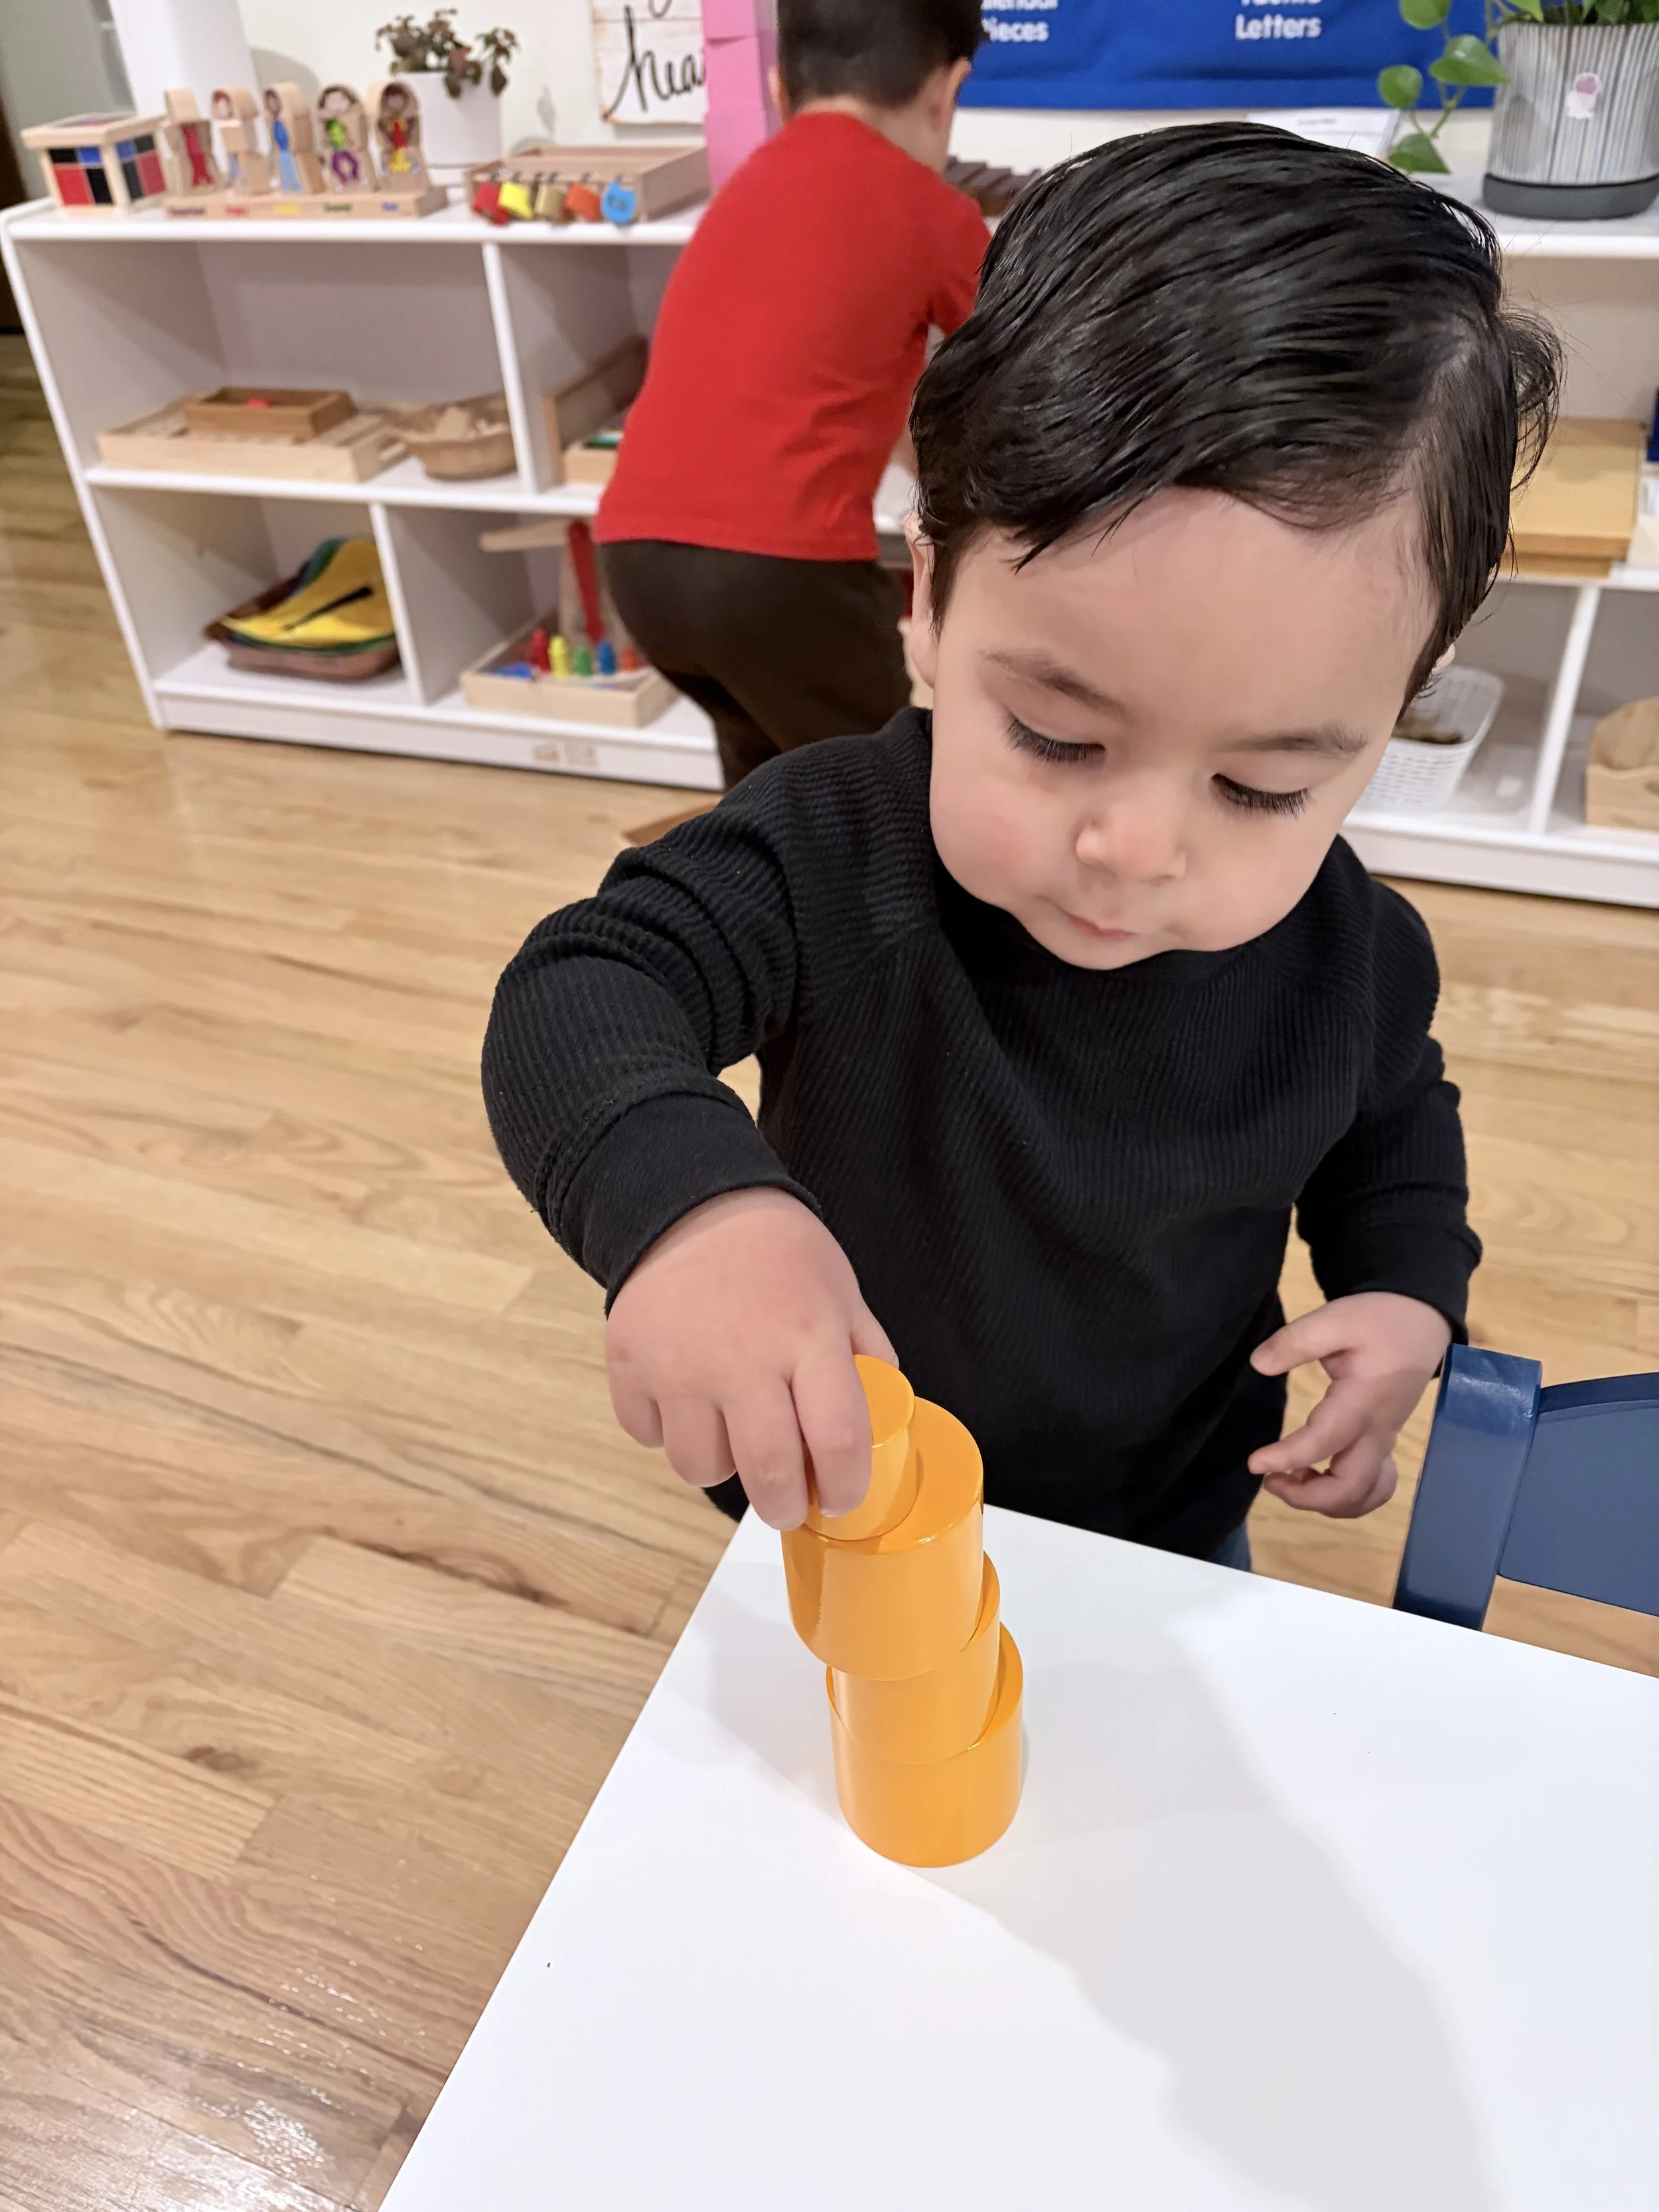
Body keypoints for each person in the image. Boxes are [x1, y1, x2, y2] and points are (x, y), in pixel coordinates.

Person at [483, 124, 1559, 1566]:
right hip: (846, 1507)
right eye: (1055, 738)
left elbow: (1390, 1132)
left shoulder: (1352, 960)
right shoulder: (828, 846)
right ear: (927, 601)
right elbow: (582, 987)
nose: (1131, 847)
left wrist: (1407, 1288)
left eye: (1257, 786)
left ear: (1387, 718)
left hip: (1163, 1528)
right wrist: (694, 1211)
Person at [595, 0, 989, 788]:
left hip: (638, 566)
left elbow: (840, 383)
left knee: (770, 789)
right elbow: (1018, 366)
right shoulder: (930, 210)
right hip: (777, 577)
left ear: (780, 91)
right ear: (947, 93)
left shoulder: (744, 193)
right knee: (891, 797)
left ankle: (765, 904)